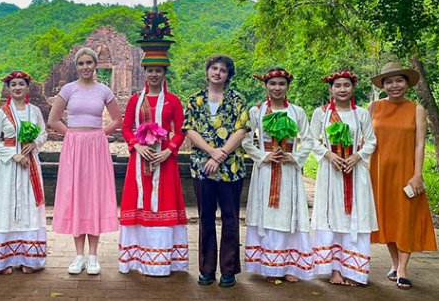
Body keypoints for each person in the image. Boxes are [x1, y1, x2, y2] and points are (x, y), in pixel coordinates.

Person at [48, 47, 122, 275]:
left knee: (94, 195)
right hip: (74, 146)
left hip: (96, 146)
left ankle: (93, 256)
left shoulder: (104, 90)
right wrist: (70, 134)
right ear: (76, 66)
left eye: (89, 63)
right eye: (81, 64)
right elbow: (53, 119)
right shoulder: (69, 90)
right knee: (76, 195)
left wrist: (101, 134)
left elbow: (118, 119)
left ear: (96, 65)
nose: (85, 67)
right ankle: (78, 255)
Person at [183, 55, 250, 288]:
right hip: (203, 167)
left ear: (228, 75)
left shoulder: (237, 100)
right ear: (207, 71)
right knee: (206, 218)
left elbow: (241, 130)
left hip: (231, 168)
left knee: (231, 218)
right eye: (214, 68)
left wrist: (221, 155)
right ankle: (207, 268)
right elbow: (189, 130)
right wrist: (211, 152)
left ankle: (229, 270)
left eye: (223, 70)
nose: (218, 73)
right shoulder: (194, 100)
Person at [369, 62, 437, 290]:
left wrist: (417, 174)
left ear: (407, 83)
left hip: (406, 172)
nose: (394, 85)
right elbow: (366, 141)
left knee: (405, 218)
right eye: (389, 81)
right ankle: (395, 263)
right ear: (383, 85)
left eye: (399, 80)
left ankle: (403, 270)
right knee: (386, 217)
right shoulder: (374, 107)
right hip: (379, 172)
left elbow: (420, 145)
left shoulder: (416, 109)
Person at [242, 68, 314, 283]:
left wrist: (296, 157)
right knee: (266, 214)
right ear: (266, 86)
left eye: (281, 84)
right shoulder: (256, 111)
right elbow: (246, 141)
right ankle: (268, 266)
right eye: (273, 84)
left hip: (289, 170)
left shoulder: (297, 112)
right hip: (265, 170)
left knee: (289, 214)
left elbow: (308, 139)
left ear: (287, 86)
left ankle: (291, 265)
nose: (277, 88)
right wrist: (264, 156)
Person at [118, 61, 188, 276]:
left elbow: (181, 129)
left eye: (158, 70)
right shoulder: (134, 101)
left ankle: (164, 260)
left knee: (163, 201)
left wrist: (170, 150)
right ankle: (137, 260)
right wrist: (137, 145)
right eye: (150, 71)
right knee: (139, 201)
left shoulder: (173, 101)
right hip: (140, 159)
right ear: (145, 73)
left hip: (164, 160)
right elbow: (126, 127)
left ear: (165, 73)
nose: (154, 74)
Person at [310, 70, 377, 286]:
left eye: (346, 85)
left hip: (355, 172)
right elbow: (311, 141)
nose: (342, 89)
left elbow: (371, 141)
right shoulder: (321, 113)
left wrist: (357, 156)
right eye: (337, 85)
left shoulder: (361, 115)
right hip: (331, 173)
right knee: (332, 217)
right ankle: (334, 269)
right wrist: (328, 155)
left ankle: (355, 271)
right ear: (330, 89)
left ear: (353, 88)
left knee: (355, 217)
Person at [0, 71, 48, 274]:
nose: (17, 88)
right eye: (13, 85)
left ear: (27, 87)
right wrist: (13, 154)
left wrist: (34, 143)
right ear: (8, 88)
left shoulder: (35, 111)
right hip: (10, 166)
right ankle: (4, 259)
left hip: (30, 164)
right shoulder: (2, 113)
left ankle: (28, 258)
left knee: (29, 204)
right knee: (7, 205)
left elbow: (43, 132)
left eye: (21, 84)